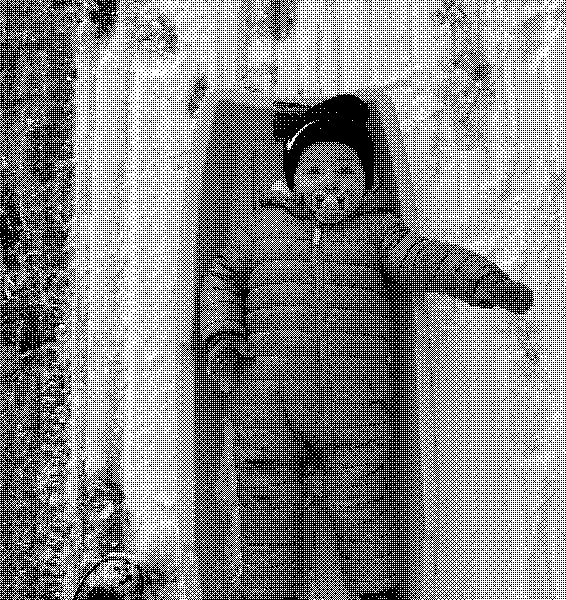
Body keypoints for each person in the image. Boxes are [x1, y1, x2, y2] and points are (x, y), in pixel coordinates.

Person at [201, 93, 533, 600]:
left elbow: (431, 260)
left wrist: (487, 282)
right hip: (266, 401)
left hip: (351, 408)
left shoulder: (379, 236)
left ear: (366, 184)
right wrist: (221, 335)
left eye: (345, 173)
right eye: (314, 171)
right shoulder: (258, 228)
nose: (329, 184)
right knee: (268, 517)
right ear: (290, 179)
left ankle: (376, 590)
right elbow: (223, 280)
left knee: (365, 516)